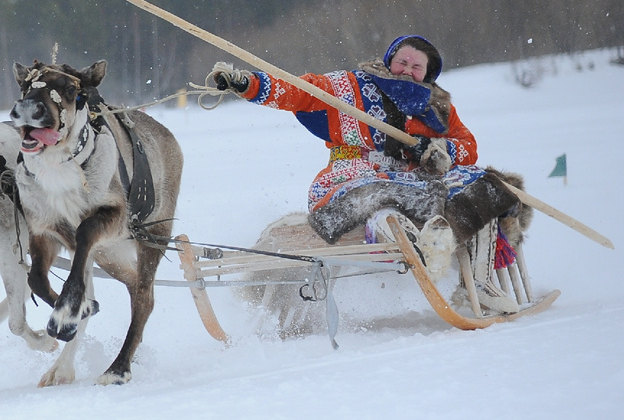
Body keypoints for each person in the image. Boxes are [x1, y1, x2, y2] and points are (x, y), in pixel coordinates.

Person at [209, 35, 526, 313]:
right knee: (384, 194)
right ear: (390, 60)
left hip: (418, 180)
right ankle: (418, 243)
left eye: (417, 67)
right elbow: (300, 91)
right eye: (402, 61)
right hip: (356, 172)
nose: (407, 70)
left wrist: (433, 148)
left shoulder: (437, 108)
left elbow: (467, 146)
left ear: (427, 75)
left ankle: (479, 286)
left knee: (488, 186)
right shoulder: (349, 85)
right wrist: (249, 84)